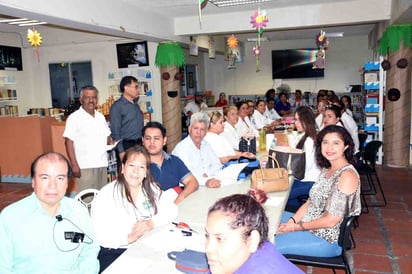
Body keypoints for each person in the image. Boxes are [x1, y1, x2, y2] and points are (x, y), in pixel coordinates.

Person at [0, 152, 100, 273]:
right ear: (33, 181)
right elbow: (3, 267)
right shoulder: (10, 217)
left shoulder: (78, 211)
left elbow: (90, 249)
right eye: (45, 178)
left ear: (68, 183)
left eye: (60, 178)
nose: (53, 186)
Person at [275, 125, 361, 257]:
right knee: (266, 218)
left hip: (325, 238)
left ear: (346, 147)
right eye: (325, 142)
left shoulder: (347, 176)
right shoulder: (327, 169)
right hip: (309, 222)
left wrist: (293, 228)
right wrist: (292, 221)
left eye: (336, 143)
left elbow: (331, 220)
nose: (329, 148)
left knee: (267, 246)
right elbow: (309, 202)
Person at [91, 145, 178, 272]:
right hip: (114, 253)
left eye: (141, 167)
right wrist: (129, 237)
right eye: (132, 165)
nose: (136, 171)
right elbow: (99, 234)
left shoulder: (152, 189)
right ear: (123, 168)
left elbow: (172, 210)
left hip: (144, 249)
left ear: (146, 173)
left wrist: (151, 223)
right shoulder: (107, 194)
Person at [205, 191, 304, 274]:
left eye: (219, 239)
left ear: (252, 240)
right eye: (207, 236)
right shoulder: (261, 248)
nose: (208, 249)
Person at [64, 85, 112, 192]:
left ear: (97, 99)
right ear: (81, 100)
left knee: (101, 197)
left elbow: (107, 137)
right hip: (85, 166)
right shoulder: (74, 118)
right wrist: (74, 164)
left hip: (102, 163)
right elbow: (68, 142)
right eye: (87, 97)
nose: (91, 100)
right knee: (87, 198)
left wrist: (113, 141)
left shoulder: (100, 117)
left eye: (94, 97)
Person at [142, 121, 199, 204]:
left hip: (176, 205)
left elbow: (192, 182)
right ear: (143, 140)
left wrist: (180, 198)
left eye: (156, 138)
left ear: (164, 140)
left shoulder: (174, 161)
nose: (152, 142)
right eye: (148, 138)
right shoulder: (138, 165)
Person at [172, 112, 222, 188]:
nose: (198, 132)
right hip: (188, 188)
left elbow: (217, 164)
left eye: (202, 129)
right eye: (195, 128)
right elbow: (187, 175)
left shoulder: (206, 144)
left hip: (209, 182)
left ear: (206, 132)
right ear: (189, 129)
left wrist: (207, 174)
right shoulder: (182, 148)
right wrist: (205, 181)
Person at [285, 106, 321, 209]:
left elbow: (304, 168)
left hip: (309, 181)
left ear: (306, 120)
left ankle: (297, 214)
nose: (295, 123)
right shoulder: (309, 135)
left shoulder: (309, 140)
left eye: (298, 120)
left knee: (282, 195)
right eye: (295, 119)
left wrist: (287, 169)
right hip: (307, 178)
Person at [109, 76, 144, 162]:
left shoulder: (135, 105)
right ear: (126, 88)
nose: (138, 90)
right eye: (135, 87)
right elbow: (115, 131)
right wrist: (121, 151)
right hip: (126, 145)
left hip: (139, 144)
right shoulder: (117, 107)